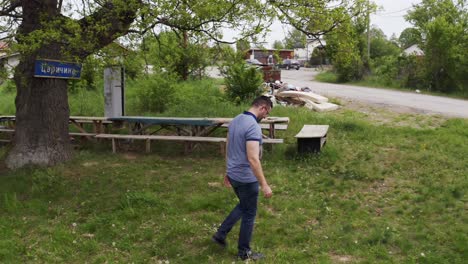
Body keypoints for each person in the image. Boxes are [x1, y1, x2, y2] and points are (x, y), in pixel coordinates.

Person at [212, 96, 273, 261]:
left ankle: (220, 234)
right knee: (249, 213)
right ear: (263, 108)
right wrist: (264, 184)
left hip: (234, 175)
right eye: (266, 114)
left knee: (244, 205)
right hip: (246, 178)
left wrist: (228, 170)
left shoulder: (236, 120)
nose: (265, 117)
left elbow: (228, 146)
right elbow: (253, 159)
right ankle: (244, 252)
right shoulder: (253, 126)